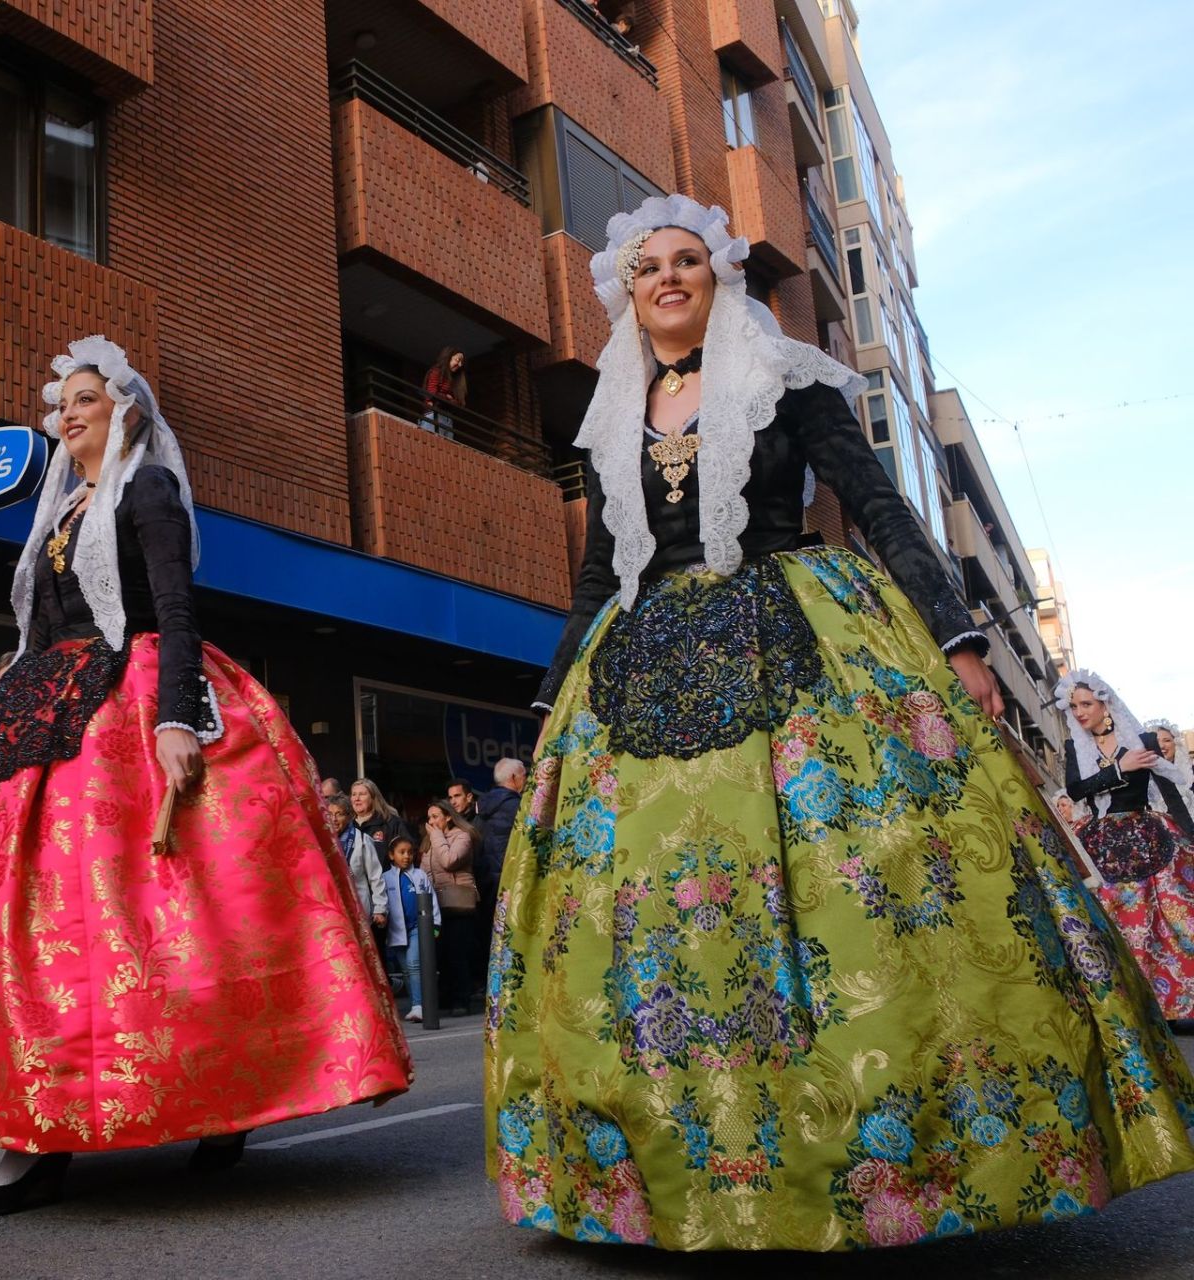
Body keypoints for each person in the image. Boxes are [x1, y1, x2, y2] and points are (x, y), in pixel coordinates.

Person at [487, 194, 1194, 1249]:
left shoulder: (788, 379)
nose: (668, 276)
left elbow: (879, 504)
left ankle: (887, 1146)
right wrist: (551, 703)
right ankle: (679, 1165)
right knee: (646, 910)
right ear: (627, 293)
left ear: (719, 279)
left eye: (688, 261)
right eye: (648, 266)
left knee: (870, 872)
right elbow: (601, 574)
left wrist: (958, 638)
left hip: (799, 627)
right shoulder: (610, 416)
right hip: (640, 664)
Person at [0, 336, 410, 1217]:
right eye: (63, 405)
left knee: (178, 915)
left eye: (86, 399)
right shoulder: (60, 510)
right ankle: (34, 1122)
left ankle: (218, 1099)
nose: (69, 414)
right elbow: (41, 628)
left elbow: (175, 608)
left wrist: (173, 717)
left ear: (125, 411)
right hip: (44, 704)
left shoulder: (147, 488)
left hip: (132, 694)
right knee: (19, 918)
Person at [1063, 672, 1194, 1023]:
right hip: (1099, 843)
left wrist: (1191, 836)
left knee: (1166, 919)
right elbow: (1075, 789)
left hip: (1146, 836)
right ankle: (1127, 1006)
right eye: (1073, 706)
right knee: (1114, 922)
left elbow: (1170, 793)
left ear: (1105, 704)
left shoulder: (1142, 739)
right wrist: (1121, 768)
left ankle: (1170, 1003)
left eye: (1086, 704)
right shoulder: (1075, 746)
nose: (1079, 712)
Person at [420, 799, 480, 1016]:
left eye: (435, 816)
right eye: (429, 817)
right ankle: (446, 996)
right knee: (441, 952)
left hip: (457, 902)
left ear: (448, 817)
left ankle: (461, 1000)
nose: (431, 822)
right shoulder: (430, 841)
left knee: (458, 952)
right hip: (436, 903)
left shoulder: (462, 836)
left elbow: (449, 861)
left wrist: (436, 836)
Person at [382, 835, 440, 1022]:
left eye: (410, 852)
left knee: (414, 964)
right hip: (397, 931)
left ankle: (418, 1006)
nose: (406, 856)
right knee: (406, 969)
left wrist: (435, 924)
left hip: (418, 928)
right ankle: (417, 1003)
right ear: (391, 855)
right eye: (401, 852)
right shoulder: (385, 878)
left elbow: (431, 899)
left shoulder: (420, 875)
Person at [474, 758, 523, 948]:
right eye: (524, 776)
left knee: (487, 934)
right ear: (513, 777)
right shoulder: (517, 806)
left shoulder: (481, 806)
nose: (526, 780)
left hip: (484, 877)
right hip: (509, 877)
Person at [339, 796, 389, 935]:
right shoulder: (322, 841)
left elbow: (375, 876)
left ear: (349, 816)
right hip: (334, 910)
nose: (334, 819)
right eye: (330, 814)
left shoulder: (362, 839)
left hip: (359, 907)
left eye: (339, 814)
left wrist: (380, 908)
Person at [347, 778, 409, 869]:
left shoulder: (391, 823)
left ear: (373, 798)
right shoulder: (346, 826)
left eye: (362, 794)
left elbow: (406, 853)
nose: (357, 798)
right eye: (354, 794)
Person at [420, 348, 467, 441]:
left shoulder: (455, 380)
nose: (459, 365)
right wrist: (448, 398)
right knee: (432, 444)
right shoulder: (436, 372)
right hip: (434, 414)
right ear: (448, 357)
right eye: (457, 360)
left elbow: (459, 403)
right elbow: (431, 394)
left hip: (447, 418)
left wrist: (450, 400)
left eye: (461, 362)